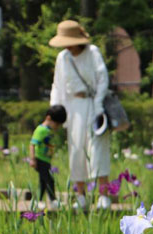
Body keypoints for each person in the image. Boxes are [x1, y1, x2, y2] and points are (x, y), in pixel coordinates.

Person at [49, 20, 111, 210]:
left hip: (93, 103)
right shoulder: (63, 58)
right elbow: (58, 86)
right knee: (76, 150)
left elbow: (102, 79)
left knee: (98, 148)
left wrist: (99, 104)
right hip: (73, 108)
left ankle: (103, 195)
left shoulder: (92, 52)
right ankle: (81, 195)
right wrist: (55, 112)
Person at [29, 105, 67, 210]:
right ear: (49, 118)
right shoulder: (41, 130)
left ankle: (39, 200)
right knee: (49, 180)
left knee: (43, 181)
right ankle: (52, 200)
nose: (57, 127)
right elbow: (32, 144)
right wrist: (32, 159)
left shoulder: (48, 130)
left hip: (46, 159)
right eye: (57, 124)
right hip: (40, 159)